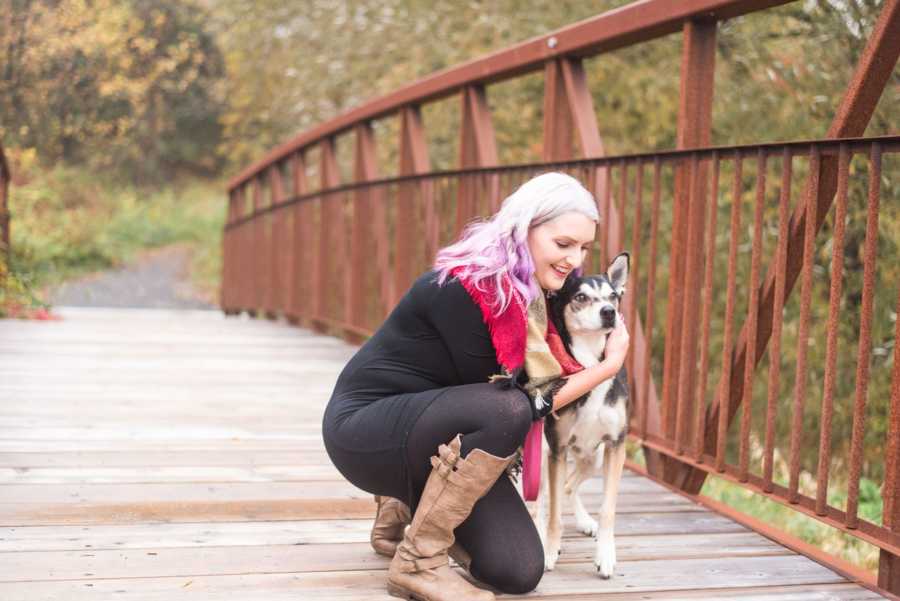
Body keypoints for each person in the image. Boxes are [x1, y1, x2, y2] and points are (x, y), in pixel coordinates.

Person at [321, 172, 631, 601]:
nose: (574, 261)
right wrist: (610, 364)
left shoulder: (536, 299)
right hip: (366, 430)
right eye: (563, 245)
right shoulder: (467, 286)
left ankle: (404, 503)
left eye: (583, 249)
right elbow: (520, 404)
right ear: (523, 230)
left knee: (519, 569)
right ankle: (418, 562)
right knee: (507, 409)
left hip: (435, 437)